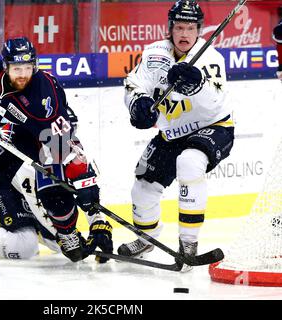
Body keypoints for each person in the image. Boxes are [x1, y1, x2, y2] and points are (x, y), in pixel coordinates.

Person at [0, 36, 113, 263]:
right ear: (5, 66)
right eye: (17, 68)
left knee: (54, 191)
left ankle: (68, 235)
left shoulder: (44, 95)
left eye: (28, 68)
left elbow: (67, 146)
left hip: (42, 141)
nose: (23, 74)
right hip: (6, 139)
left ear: (35, 65)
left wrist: (92, 206)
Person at [119, 0, 234, 271]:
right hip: (173, 133)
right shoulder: (154, 53)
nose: (184, 34)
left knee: (190, 162)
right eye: (179, 27)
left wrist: (197, 86)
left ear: (199, 30)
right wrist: (137, 103)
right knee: (143, 186)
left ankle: (188, 245)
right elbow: (134, 84)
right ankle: (146, 239)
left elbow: (216, 102)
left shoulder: (210, 58)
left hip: (213, 127)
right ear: (170, 28)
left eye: (191, 28)